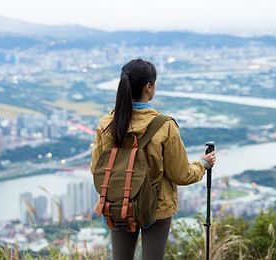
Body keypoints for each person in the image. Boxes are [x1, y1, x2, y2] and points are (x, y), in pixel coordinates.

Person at [90, 58, 216, 260]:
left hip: (119, 203)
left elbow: (97, 167)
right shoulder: (165, 126)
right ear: (149, 87)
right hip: (157, 206)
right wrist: (203, 164)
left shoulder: (107, 124)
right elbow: (181, 175)